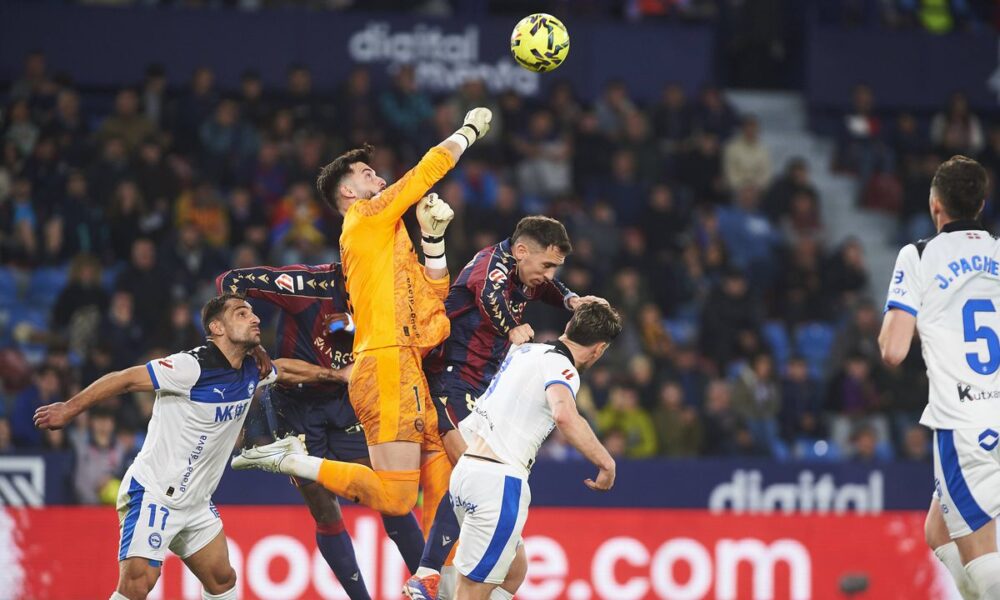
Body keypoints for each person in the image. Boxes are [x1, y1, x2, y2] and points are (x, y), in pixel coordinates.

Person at [265, 109, 492, 531]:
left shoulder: (382, 240)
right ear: (348, 191)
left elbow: (431, 303)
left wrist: (434, 242)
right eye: (370, 174)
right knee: (397, 497)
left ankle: (431, 583)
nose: (382, 180)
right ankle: (291, 459)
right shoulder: (366, 218)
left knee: (443, 471)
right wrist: (467, 132)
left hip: (404, 364)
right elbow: (423, 174)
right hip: (387, 365)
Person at [34, 293, 343, 600]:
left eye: (252, 313)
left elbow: (285, 370)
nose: (255, 318)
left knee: (222, 579)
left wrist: (336, 375)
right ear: (217, 328)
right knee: (139, 584)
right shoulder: (192, 366)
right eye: (241, 313)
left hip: (195, 502)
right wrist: (68, 409)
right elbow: (125, 379)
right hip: (155, 492)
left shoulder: (251, 370)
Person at [406, 216, 602, 599]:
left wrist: (571, 299)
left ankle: (445, 580)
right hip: (452, 379)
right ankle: (426, 574)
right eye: (546, 265)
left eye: (555, 268)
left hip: (483, 387)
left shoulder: (524, 271)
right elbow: (489, 297)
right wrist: (512, 325)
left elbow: (545, 289)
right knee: (471, 465)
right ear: (522, 251)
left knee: (517, 569)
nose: (549, 274)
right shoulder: (489, 267)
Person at [216, 259, 431, 597]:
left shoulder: (392, 294)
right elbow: (229, 279)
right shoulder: (305, 286)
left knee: (389, 493)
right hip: (295, 406)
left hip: (349, 401)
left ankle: (429, 586)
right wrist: (251, 343)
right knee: (323, 506)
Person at [878, 155, 1000, 600]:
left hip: (964, 422)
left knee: (984, 564)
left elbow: (893, 350)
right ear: (982, 204)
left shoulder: (920, 254)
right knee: (938, 530)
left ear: (935, 206)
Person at [446, 300, 622, 599]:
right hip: (498, 483)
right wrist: (606, 463)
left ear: (568, 327)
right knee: (471, 591)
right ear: (599, 349)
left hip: (467, 472)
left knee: (514, 570)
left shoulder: (527, 351)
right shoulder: (562, 367)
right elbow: (564, 414)